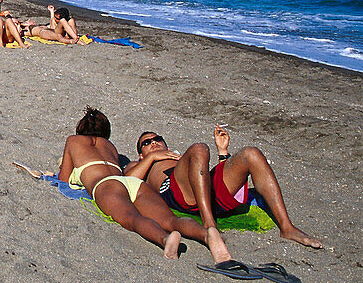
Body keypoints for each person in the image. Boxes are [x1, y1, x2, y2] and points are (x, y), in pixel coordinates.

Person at [59, 107, 223, 261]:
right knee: (170, 220)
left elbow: (64, 179)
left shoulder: (73, 141)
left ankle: (165, 239)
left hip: (106, 185)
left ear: (80, 129)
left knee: (133, 218)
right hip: (132, 182)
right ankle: (206, 234)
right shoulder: (109, 146)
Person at [126, 126, 322, 249]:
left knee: (251, 153)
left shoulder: (179, 156)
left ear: (165, 143)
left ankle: (287, 227)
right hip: (177, 190)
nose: (153, 143)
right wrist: (152, 158)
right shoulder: (140, 164)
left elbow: (206, 175)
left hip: (204, 190)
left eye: (157, 139)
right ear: (140, 154)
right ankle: (209, 225)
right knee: (200, 148)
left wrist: (223, 152)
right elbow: (127, 180)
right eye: (146, 143)